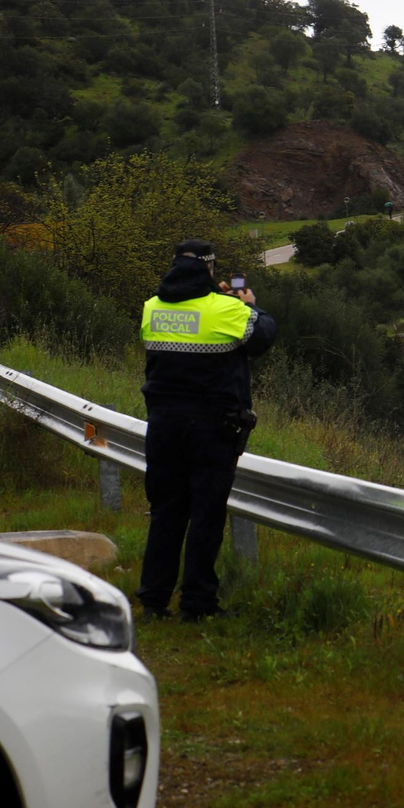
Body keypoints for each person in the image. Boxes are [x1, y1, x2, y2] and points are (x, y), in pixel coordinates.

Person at [137, 239, 276, 622]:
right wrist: (248, 304)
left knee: (165, 511)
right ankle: (197, 605)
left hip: (162, 425)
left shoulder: (153, 307)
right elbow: (263, 336)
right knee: (206, 515)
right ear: (210, 269)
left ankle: (153, 601)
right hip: (212, 428)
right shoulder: (228, 308)